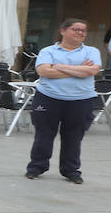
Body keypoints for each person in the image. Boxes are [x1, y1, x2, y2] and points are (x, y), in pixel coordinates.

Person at [26, 18, 103, 185]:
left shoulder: (92, 51)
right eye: (76, 29)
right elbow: (43, 71)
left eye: (83, 30)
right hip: (48, 98)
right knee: (43, 134)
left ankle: (71, 171)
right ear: (63, 31)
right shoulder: (48, 51)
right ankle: (36, 167)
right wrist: (79, 69)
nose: (80, 33)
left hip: (80, 100)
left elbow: (92, 70)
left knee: (74, 137)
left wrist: (59, 66)